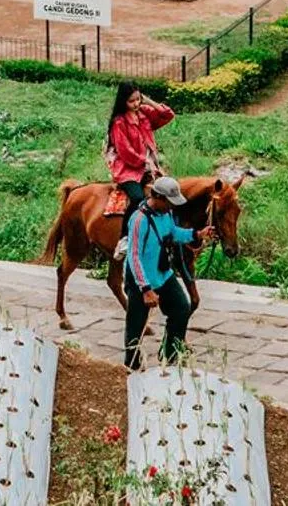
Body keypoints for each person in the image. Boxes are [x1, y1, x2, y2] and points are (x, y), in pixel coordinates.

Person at [123, 176, 195, 369]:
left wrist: (195, 234)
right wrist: (145, 289)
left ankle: (170, 356)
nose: (171, 207)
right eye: (169, 203)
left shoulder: (166, 215)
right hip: (141, 280)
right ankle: (131, 367)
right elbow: (134, 255)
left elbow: (173, 233)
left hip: (162, 274)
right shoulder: (139, 220)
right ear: (158, 197)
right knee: (135, 328)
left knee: (181, 308)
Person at [107, 82, 175, 215]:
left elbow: (168, 115)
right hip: (129, 170)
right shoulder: (119, 122)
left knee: (170, 193)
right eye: (131, 101)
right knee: (138, 198)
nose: (136, 104)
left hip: (150, 167)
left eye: (138, 99)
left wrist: (149, 101)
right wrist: (144, 161)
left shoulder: (144, 112)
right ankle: (127, 233)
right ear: (123, 101)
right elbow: (125, 151)